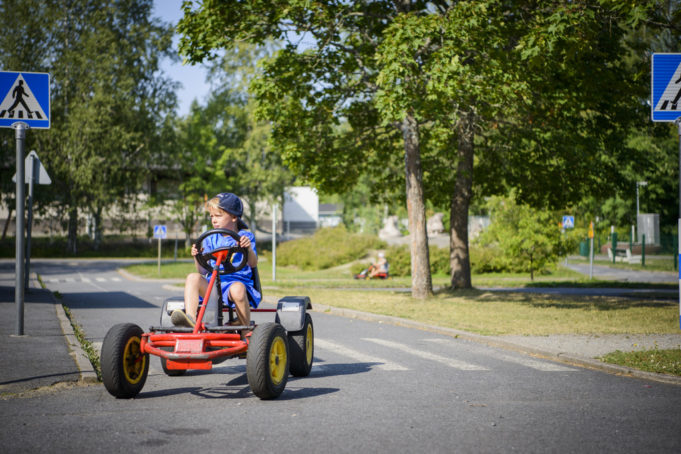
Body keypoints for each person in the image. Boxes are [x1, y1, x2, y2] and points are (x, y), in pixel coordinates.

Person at [171, 192, 260, 328]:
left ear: (234, 217)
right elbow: (202, 270)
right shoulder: (209, 238)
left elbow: (253, 263)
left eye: (218, 216)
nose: (213, 220)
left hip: (236, 283)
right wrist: (197, 256)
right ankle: (190, 319)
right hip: (213, 285)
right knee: (193, 277)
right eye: (212, 216)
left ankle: (244, 329)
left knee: (237, 290)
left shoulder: (244, 237)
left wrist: (248, 249)